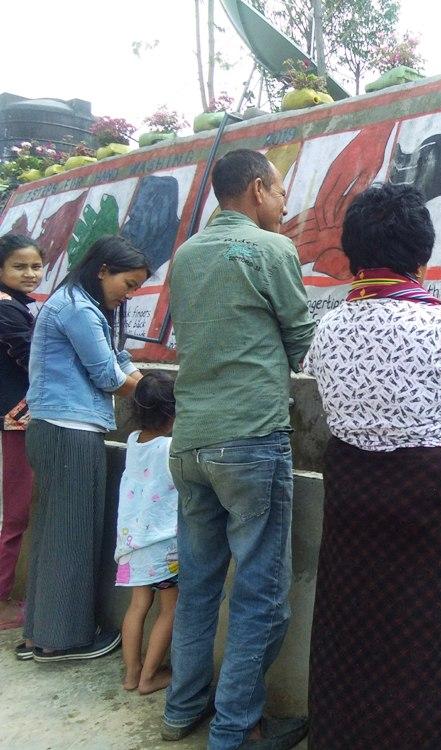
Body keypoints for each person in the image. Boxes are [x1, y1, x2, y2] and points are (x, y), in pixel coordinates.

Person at [304, 182, 441, 750]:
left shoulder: (330, 326)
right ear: (421, 254)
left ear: (353, 252)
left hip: (351, 486)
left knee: (349, 619)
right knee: (422, 625)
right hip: (425, 492)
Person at [164, 148, 315, 750]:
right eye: (280, 191)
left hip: (191, 440)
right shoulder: (271, 249)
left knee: (199, 584)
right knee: (259, 594)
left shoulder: (185, 256)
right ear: (257, 190)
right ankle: (234, 732)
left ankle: (183, 709)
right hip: (250, 438)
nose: (284, 203)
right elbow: (302, 337)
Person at [21, 235, 148, 662]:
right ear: (103, 271)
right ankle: (63, 640)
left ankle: (40, 633)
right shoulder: (77, 309)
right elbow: (108, 376)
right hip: (68, 429)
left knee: (54, 533)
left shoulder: (84, 305)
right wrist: (161, 397)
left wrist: (151, 384)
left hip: (58, 428)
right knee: (72, 534)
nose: (129, 294)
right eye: (127, 284)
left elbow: (121, 359)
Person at [115, 371, 179, 695]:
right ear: (171, 414)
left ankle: (131, 674)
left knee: (138, 605)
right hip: (164, 544)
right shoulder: (170, 447)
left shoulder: (132, 441)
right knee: (170, 608)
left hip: (132, 542)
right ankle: (150, 677)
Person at [0, 234, 43, 631]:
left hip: (19, 416)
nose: (30, 273)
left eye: (35, 265)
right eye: (19, 266)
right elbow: (31, 357)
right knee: (14, 515)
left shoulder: (19, 307)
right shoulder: (7, 310)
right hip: (17, 418)